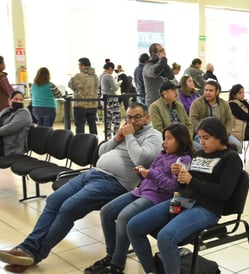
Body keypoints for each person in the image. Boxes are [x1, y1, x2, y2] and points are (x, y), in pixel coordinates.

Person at [0, 102, 163, 273]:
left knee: (68, 208)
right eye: (129, 117)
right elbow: (102, 152)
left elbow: (141, 159)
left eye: (137, 117)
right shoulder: (127, 132)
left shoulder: (154, 136)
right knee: (54, 200)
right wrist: (117, 139)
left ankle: (34, 254)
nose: (132, 121)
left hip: (115, 182)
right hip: (92, 174)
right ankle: (27, 248)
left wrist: (129, 137)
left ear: (147, 117)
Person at [126, 117, 243, 274]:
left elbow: (223, 193)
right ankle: (152, 271)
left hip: (207, 208)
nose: (201, 142)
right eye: (199, 137)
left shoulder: (231, 158)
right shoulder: (199, 154)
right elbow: (185, 186)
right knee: (134, 226)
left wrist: (191, 180)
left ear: (220, 136)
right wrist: (180, 176)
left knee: (166, 237)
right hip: (183, 201)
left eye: (206, 138)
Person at [84, 123, 194, 274]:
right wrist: (142, 173)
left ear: (181, 140)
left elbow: (173, 188)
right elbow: (151, 176)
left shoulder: (184, 159)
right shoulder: (162, 154)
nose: (165, 142)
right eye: (164, 138)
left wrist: (151, 174)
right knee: (106, 212)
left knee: (123, 217)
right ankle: (112, 254)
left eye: (169, 139)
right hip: (141, 191)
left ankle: (117, 263)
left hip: (159, 197)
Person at [189, 80, 242, 152]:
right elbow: (193, 120)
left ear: (217, 92)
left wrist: (226, 133)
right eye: (206, 90)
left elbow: (230, 119)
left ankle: (228, 162)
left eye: (211, 91)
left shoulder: (224, 104)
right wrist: (202, 132)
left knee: (237, 146)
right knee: (211, 148)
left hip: (221, 133)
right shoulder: (197, 103)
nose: (207, 92)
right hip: (202, 134)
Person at [68, 57, 99, 135]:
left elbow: (70, 85)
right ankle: (94, 141)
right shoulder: (95, 76)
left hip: (80, 104)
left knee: (80, 126)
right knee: (92, 124)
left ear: (83, 65)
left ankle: (80, 143)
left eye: (79, 65)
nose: (79, 67)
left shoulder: (78, 76)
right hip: (93, 104)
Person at [0, 90, 32, 156]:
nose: (18, 101)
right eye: (16, 99)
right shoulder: (6, 110)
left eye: (21, 100)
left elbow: (11, 128)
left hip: (12, 147)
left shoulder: (24, 113)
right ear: (9, 100)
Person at [143, 43, 174, 107]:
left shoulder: (162, 64)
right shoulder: (147, 67)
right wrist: (162, 60)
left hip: (164, 103)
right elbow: (155, 72)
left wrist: (164, 61)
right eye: (160, 51)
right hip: (153, 104)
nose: (163, 53)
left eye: (163, 50)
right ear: (153, 54)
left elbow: (171, 76)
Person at [100, 62, 121, 139]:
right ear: (110, 68)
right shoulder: (109, 76)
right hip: (112, 99)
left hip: (104, 99)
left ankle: (108, 135)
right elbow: (115, 88)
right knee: (117, 117)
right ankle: (116, 134)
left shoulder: (101, 76)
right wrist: (119, 84)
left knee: (108, 118)